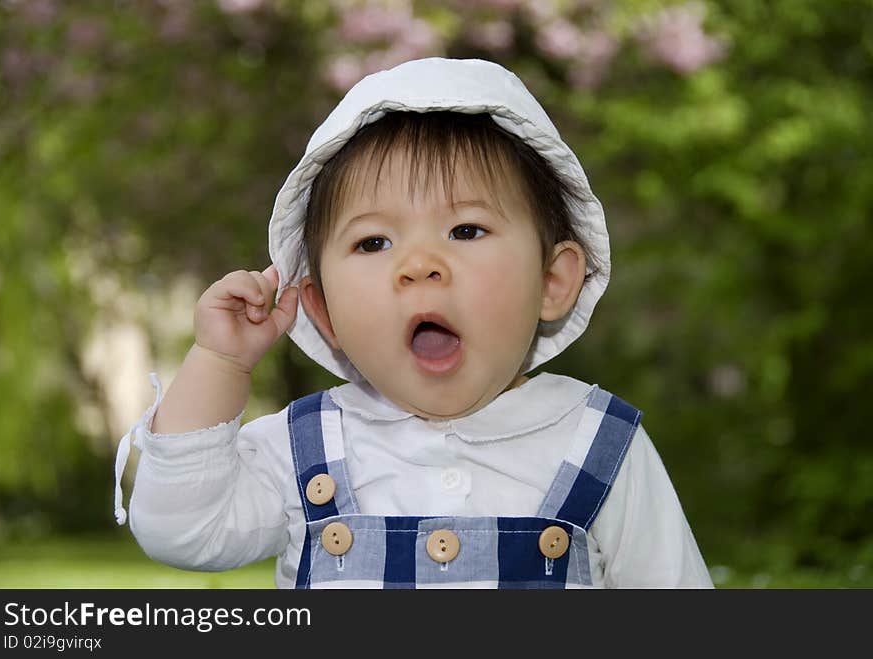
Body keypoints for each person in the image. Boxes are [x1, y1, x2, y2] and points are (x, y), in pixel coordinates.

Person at [113, 57, 713, 588]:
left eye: (466, 231)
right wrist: (220, 363)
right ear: (323, 311)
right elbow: (181, 531)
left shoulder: (599, 446)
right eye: (374, 242)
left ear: (552, 282)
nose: (419, 265)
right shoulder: (305, 449)